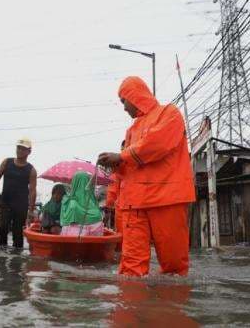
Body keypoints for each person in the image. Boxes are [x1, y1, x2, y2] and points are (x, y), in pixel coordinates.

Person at [98, 76, 195, 277]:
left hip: (166, 199)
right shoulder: (131, 130)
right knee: (130, 268)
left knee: (174, 266)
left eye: (124, 101)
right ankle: (131, 307)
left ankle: (168, 308)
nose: (124, 108)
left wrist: (121, 156)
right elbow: (129, 167)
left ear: (135, 95)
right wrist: (115, 164)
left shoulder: (170, 113)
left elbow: (156, 144)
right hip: (135, 203)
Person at [0, 137, 37, 248]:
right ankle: (0, 260)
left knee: (18, 235)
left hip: (21, 206)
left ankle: (16, 262)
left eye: (23, 149)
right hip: (5, 203)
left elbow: (32, 191)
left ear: (29, 152)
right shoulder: (7, 162)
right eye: (18, 148)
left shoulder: (31, 170)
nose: (20, 151)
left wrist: (31, 211)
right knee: (1, 229)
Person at [60, 171, 104, 236]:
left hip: (72, 242)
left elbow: (64, 225)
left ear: (74, 183)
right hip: (94, 243)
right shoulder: (95, 207)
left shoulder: (68, 202)